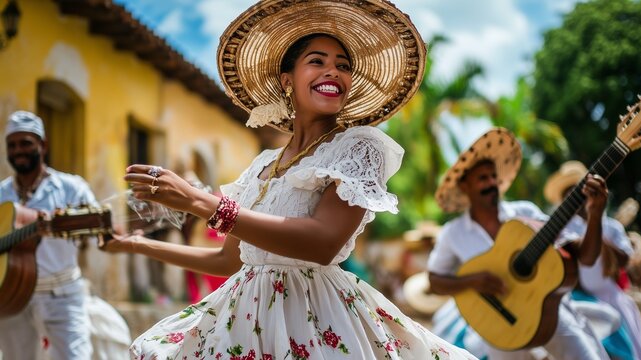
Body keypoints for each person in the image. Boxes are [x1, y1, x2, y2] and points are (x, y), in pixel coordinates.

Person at [103, 1, 476, 359]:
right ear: (288, 79)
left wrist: (201, 203)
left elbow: (323, 243)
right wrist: (136, 245)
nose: (333, 72)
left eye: (343, 66)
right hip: (244, 322)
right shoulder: (262, 166)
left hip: (315, 322)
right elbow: (230, 260)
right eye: (317, 61)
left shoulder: (359, 149)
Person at [427, 128, 610, 359]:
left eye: (493, 176)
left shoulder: (524, 213)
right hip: (499, 324)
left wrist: (595, 215)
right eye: (482, 178)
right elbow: (435, 281)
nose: (492, 182)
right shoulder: (453, 233)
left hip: (548, 313)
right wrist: (473, 281)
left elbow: (585, 258)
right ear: (465, 187)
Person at [0, 111, 96, 359]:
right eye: (12, 145)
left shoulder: (71, 188)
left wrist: (71, 225)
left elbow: (101, 228)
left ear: (43, 145)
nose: (18, 150)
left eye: (26, 143)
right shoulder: (1, 194)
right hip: (11, 297)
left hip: (62, 294)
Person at [544, 160, 641, 359]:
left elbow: (624, 261)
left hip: (615, 299)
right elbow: (579, 262)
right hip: (585, 303)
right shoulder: (565, 232)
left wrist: (596, 225)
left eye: (577, 193)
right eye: (568, 197)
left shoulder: (611, 226)